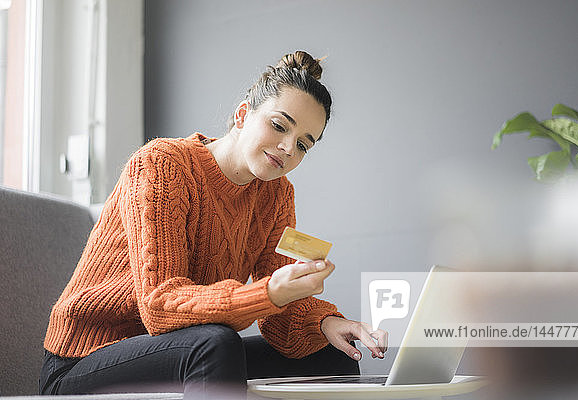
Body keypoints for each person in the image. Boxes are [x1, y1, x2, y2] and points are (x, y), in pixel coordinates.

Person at [39, 50, 388, 398]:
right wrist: (268, 292)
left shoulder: (277, 194)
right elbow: (160, 306)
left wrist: (327, 323)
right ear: (242, 115)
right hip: (85, 359)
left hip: (185, 348)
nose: (287, 148)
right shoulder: (162, 164)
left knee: (329, 357)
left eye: (302, 145)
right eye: (279, 126)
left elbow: (280, 320)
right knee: (215, 343)